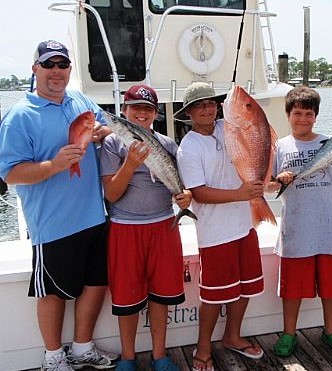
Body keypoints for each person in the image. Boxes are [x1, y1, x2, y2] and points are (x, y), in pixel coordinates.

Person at [0, 40, 118, 370]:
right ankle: (53, 357)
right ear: (35, 69)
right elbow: (10, 173)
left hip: (95, 216)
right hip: (53, 225)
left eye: (62, 65)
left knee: (96, 284)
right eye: (48, 64)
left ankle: (82, 348)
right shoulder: (19, 117)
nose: (56, 71)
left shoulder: (79, 100)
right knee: (52, 292)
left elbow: (106, 125)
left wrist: (99, 132)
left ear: (69, 70)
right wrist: (53, 165)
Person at [268, 86, 332, 357]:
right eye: (297, 113)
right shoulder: (280, 147)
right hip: (296, 231)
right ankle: (289, 334)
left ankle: (331, 331)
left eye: (308, 114)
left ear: (316, 116)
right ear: (288, 115)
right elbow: (268, 184)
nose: (303, 119)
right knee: (292, 289)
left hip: (330, 228)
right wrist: (280, 179)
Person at [100, 84, 192, 371]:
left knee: (161, 295)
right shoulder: (112, 144)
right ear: (124, 111)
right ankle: (128, 357)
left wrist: (185, 197)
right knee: (127, 298)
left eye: (148, 109)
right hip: (125, 228)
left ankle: (159, 355)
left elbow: (182, 187)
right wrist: (130, 164)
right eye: (135, 108)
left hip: (164, 225)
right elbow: (111, 194)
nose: (141, 113)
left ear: (155, 114)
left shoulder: (167, 144)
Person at [175, 82, 265, 371]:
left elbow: (256, 129)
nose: (207, 108)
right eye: (199, 104)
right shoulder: (188, 147)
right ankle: (202, 350)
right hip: (215, 234)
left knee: (246, 289)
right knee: (213, 297)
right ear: (188, 111)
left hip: (244, 226)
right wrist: (242, 194)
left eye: (211, 102)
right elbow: (198, 193)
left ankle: (232, 336)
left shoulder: (230, 127)